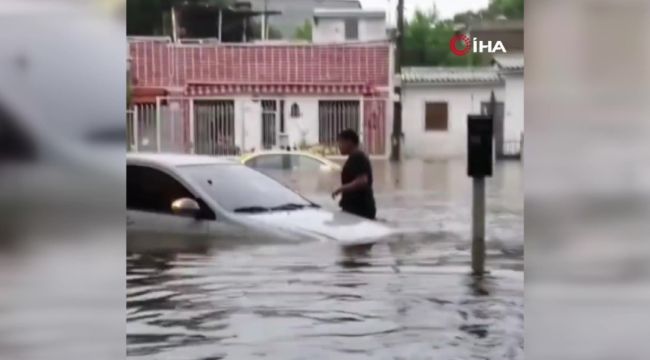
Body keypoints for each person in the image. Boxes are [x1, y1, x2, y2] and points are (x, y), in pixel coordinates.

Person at [331, 129, 376, 220]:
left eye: (340, 142)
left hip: (359, 209)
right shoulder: (356, 156)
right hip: (357, 208)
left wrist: (340, 189)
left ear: (349, 142)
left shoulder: (357, 156)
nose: (339, 146)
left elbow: (362, 181)